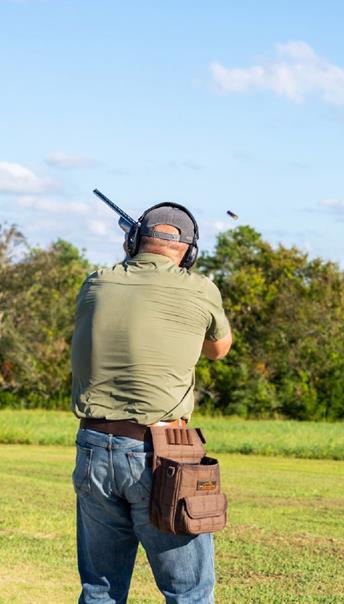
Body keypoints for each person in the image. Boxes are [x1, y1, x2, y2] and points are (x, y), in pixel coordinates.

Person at [70, 202, 232, 604]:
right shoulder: (200, 287)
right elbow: (219, 350)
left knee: (100, 591)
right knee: (189, 593)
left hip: (93, 446)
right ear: (188, 252)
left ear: (133, 240)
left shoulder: (96, 281)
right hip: (164, 453)